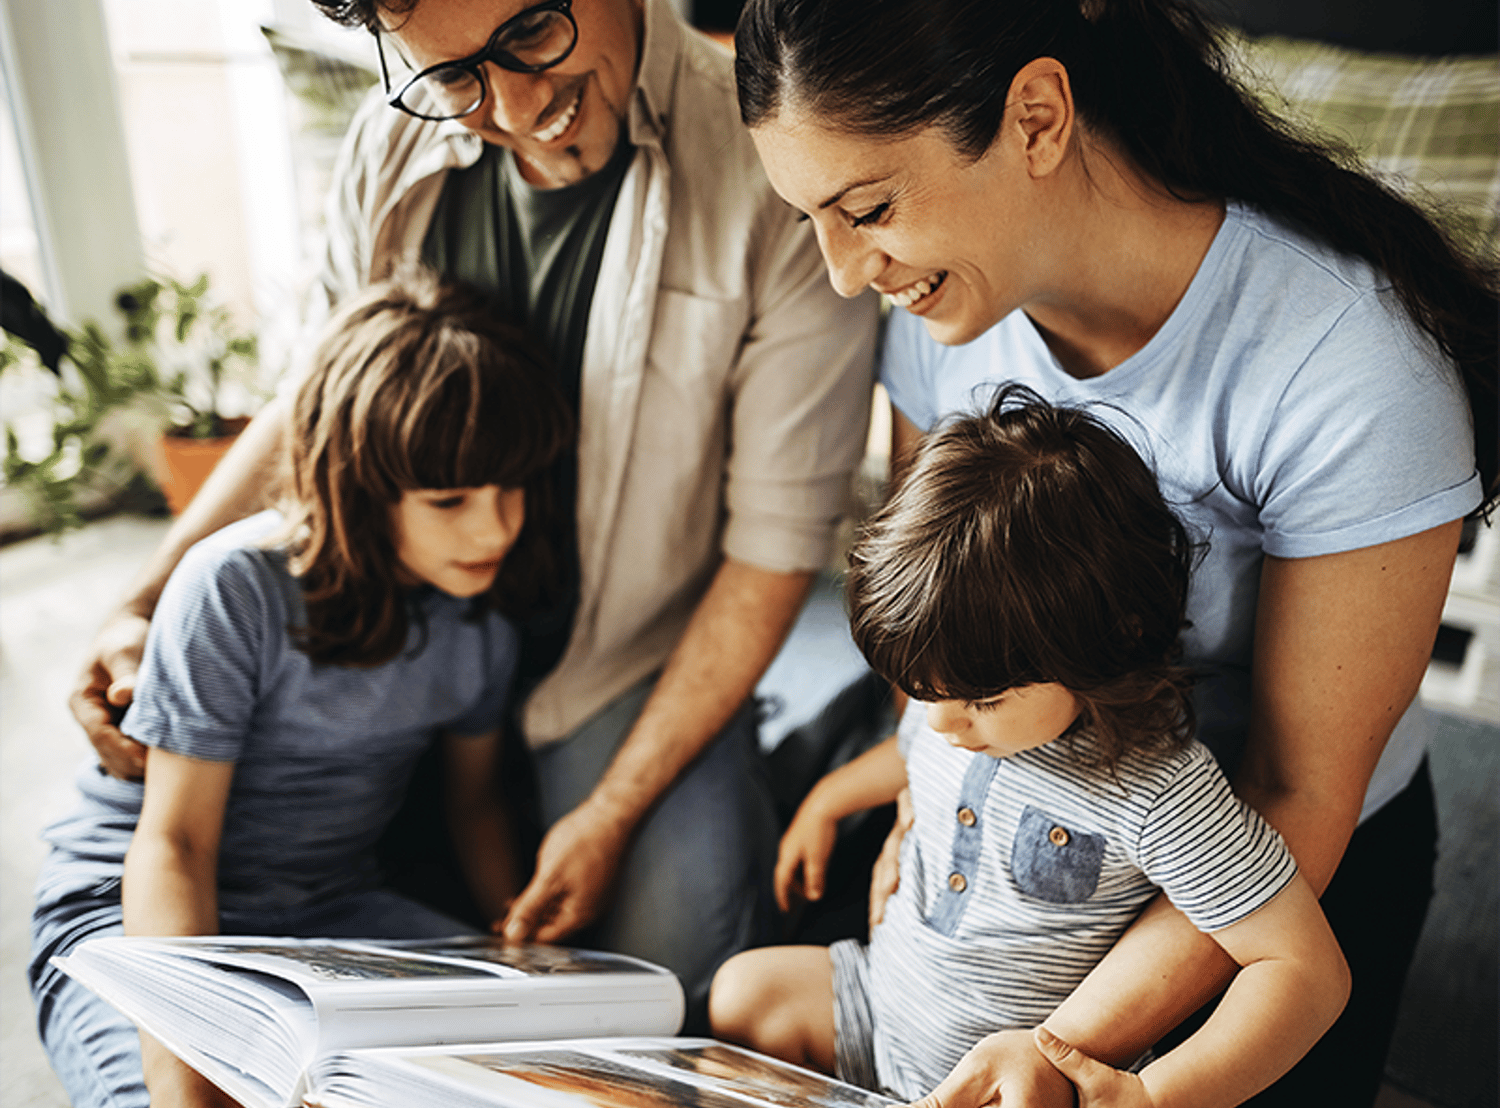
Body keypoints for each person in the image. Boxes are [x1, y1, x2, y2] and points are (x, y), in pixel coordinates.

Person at [733, 0, 1497, 1104]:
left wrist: (1050, 1051)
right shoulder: (942, 310)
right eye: (815, 218)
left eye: (869, 208)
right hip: (1009, 825)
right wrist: (918, 803)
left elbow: (1295, 797)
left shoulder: (1353, 371)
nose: (848, 273)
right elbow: (941, 625)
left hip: (1262, 875)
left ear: (1036, 117)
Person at [69, 0, 879, 1031]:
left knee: (668, 974)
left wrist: (611, 812)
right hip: (408, 648)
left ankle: (751, 751)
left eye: (532, 35)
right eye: (454, 78)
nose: (515, 105)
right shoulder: (391, 140)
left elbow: (770, 552)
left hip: (626, 671)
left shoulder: (768, 163)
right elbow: (316, 403)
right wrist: (146, 595)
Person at [710, 388, 1351, 1108]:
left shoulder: (1158, 789)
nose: (943, 722)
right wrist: (832, 798)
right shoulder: (952, 687)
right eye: (922, 692)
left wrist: (1156, 1095)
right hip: (880, 1009)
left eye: (981, 701)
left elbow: (1305, 969)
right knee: (740, 993)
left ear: (1110, 641)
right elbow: (917, 751)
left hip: (1012, 1084)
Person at [29, 270, 574, 1108]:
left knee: (559, 1056)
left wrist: (517, 947)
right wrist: (190, 1084)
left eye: (516, 490)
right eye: (451, 498)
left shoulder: (482, 616)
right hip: (138, 913)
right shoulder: (234, 588)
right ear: (361, 487)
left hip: (333, 914)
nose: (495, 527)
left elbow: (477, 809)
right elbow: (174, 848)